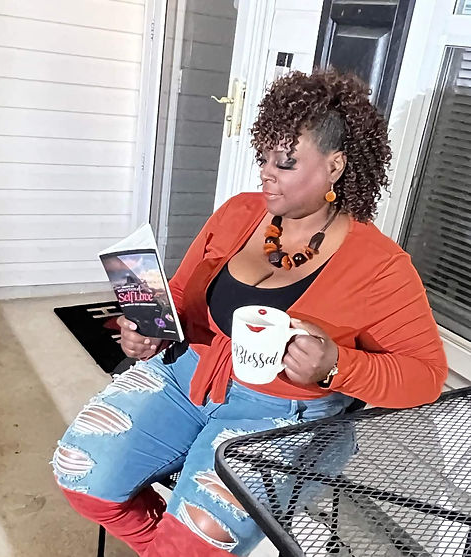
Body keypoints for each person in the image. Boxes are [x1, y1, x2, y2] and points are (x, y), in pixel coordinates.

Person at [52, 69, 448, 556]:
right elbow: (181, 292)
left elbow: (425, 376)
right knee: (79, 474)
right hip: (185, 374)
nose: (266, 173)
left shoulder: (380, 266)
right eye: (264, 157)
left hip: (281, 413)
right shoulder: (239, 212)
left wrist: (336, 366)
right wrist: (149, 328)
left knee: (195, 542)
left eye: (285, 162)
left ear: (335, 166)